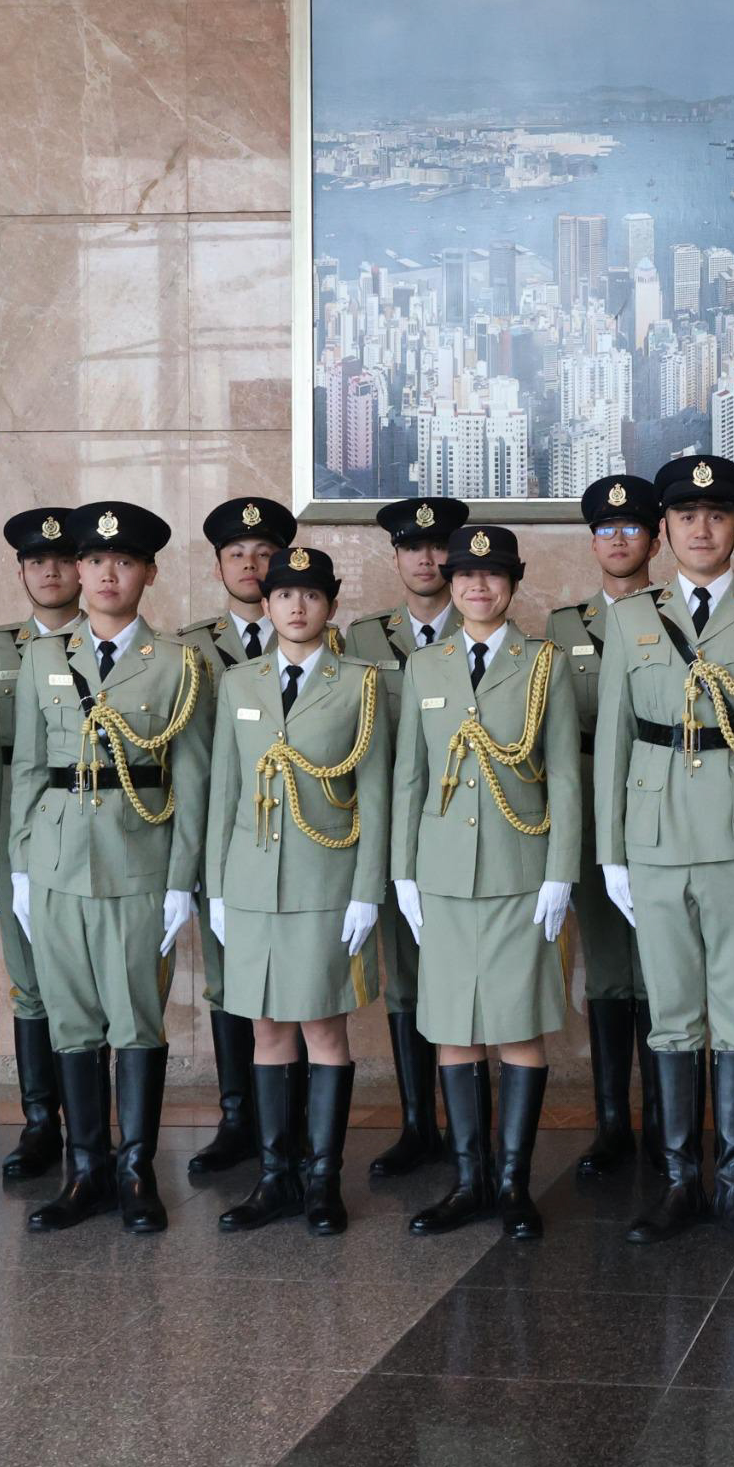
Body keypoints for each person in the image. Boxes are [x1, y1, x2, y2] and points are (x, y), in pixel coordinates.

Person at [593, 455, 734, 1247]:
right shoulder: (631, 618)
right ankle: (678, 1182)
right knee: (671, 1016)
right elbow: (613, 741)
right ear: (664, 530)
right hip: (654, 839)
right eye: (686, 515)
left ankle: (733, 1184)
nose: (700, 527)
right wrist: (610, 852)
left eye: (716, 514)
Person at [9, 503, 212, 1234]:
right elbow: (28, 767)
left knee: (134, 1018)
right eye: (95, 561)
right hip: (56, 860)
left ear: (149, 574)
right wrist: (22, 866)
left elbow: (195, 779)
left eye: (124, 562)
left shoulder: (179, 664)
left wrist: (181, 879)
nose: (106, 575)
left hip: (138, 859)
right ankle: (85, 1172)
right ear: (79, 569)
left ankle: (135, 1171)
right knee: (70, 1018)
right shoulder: (42, 659)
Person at [392, 526, 581, 1241]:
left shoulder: (543, 663)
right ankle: (469, 1182)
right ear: (451, 581)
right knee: (453, 1028)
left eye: (493, 573)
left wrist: (560, 872)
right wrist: (402, 871)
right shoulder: (426, 666)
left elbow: (565, 775)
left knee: (517, 1024)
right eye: (466, 573)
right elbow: (409, 777)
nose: (478, 585)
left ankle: (512, 1183)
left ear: (513, 583)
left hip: (518, 871)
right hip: (443, 875)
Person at [204, 545, 391, 1235]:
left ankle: (321, 1181)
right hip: (252, 883)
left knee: (322, 1026)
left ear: (331, 605)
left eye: (311, 595)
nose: (297, 606)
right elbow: (225, 789)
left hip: (325, 882)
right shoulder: (240, 683)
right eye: (284, 594)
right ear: (267, 604)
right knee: (266, 1026)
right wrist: (216, 888)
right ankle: (274, 1178)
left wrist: (367, 890)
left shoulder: (360, 682)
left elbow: (376, 794)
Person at [343, 495, 470, 1177]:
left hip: (466, 828)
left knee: (468, 976)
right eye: (412, 547)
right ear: (395, 557)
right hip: (392, 830)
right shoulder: (363, 640)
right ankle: (418, 1123)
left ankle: (470, 1131)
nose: (426, 558)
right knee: (406, 978)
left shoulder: (485, 628)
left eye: (438, 545)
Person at [540, 476, 662, 1176]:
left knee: (665, 969)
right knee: (609, 969)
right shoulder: (563, 628)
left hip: (663, 804)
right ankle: (613, 1121)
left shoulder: (676, 616)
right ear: (592, 543)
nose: (618, 540)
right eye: (606, 530)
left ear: (654, 540)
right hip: (589, 809)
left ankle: (668, 1122)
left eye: (632, 528)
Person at [180, 496, 296, 1176]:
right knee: (228, 980)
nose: (250, 565)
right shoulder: (188, 647)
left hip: (299, 838)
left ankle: (292, 1122)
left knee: (295, 980)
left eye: (264, 553)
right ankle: (237, 1120)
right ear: (218, 566)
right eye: (236, 554)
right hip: (221, 834)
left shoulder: (314, 637)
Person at [0, 507, 82, 1183]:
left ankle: (93, 1128)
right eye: (36, 561)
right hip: (14, 827)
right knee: (30, 982)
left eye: (62, 559)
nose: (50, 570)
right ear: (20, 571)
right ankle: (40, 1123)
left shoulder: (120, 644)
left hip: (93, 822)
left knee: (95, 985)